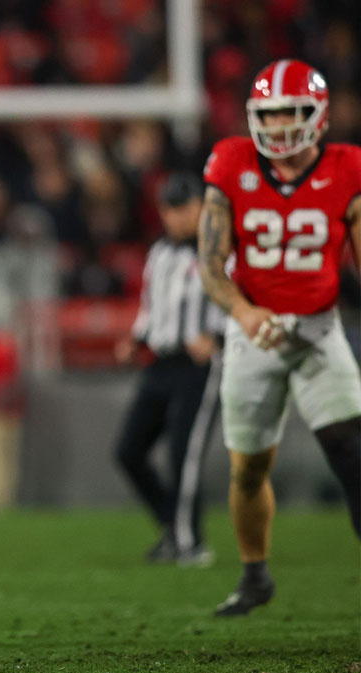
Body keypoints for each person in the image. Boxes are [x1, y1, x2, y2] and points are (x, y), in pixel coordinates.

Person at [197, 59, 361, 617]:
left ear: (319, 115)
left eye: (291, 112)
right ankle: (254, 576)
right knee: (249, 467)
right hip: (253, 333)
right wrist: (243, 313)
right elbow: (211, 263)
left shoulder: (347, 168)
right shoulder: (231, 162)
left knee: (352, 451)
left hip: (318, 330)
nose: (280, 125)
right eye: (269, 114)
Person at [113, 172, 225, 567]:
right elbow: (151, 307)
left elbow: (245, 302)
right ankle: (172, 524)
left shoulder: (220, 250)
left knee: (184, 454)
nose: (176, 217)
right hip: (160, 363)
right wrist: (136, 338)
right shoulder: (159, 253)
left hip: (200, 367)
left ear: (200, 208)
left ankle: (190, 542)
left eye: (184, 208)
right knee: (128, 451)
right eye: (170, 209)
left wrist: (219, 338)